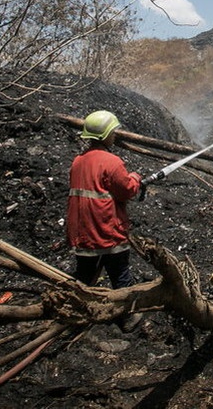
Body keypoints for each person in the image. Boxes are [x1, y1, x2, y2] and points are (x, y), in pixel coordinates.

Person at [66, 110, 143, 331]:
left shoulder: (78, 161)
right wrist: (136, 178)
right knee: (121, 278)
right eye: (114, 132)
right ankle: (127, 319)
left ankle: (76, 317)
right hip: (107, 232)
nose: (116, 135)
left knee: (84, 279)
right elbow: (126, 190)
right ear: (107, 134)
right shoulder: (112, 162)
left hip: (82, 233)